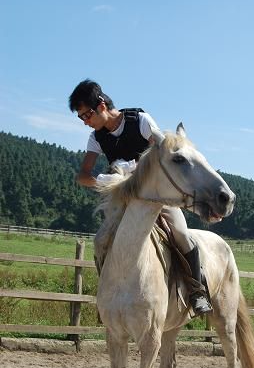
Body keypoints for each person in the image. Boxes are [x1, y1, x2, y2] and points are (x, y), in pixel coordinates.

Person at [68, 79, 212, 315]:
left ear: (101, 105)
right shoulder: (96, 138)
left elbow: (162, 153)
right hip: (124, 199)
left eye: (87, 115)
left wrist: (135, 169)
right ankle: (108, 293)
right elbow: (82, 176)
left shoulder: (140, 121)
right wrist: (105, 180)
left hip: (154, 195)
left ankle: (198, 292)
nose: (86, 122)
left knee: (181, 234)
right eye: (81, 118)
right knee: (100, 240)